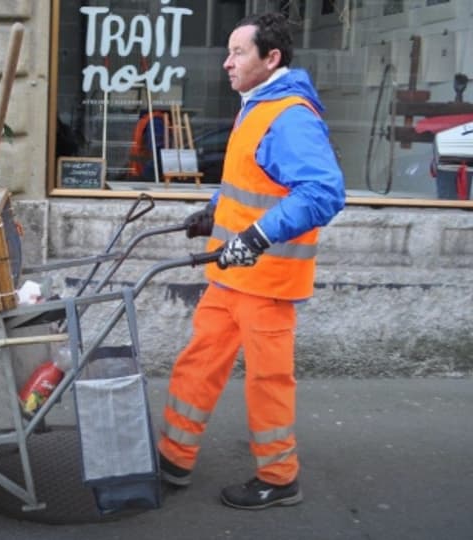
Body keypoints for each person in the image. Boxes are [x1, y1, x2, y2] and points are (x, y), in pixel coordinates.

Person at [158, 12, 345, 510]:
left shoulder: (290, 115)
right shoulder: (256, 106)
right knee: (198, 363)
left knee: (268, 383)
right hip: (231, 275)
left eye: (238, 52)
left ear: (272, 58)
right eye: (229, 52)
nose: (227, 62)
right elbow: (253, 182)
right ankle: (173, 457)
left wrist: (257, 236)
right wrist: (213, 212)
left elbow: (323, 192)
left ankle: (280, 478)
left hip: (268, 281)